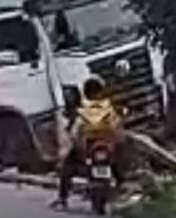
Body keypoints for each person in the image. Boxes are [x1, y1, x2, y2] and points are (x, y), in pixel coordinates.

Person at [50, 76, 123, 210]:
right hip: (106, 147)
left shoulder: (82, 110)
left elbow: (74, 132)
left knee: (67, 167)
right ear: (102, 92)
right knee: (117, 162)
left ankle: (62, 198)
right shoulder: (109, 109)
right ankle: (121, 186)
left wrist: (77, 144)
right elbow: (117, 129)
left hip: (88, 148)